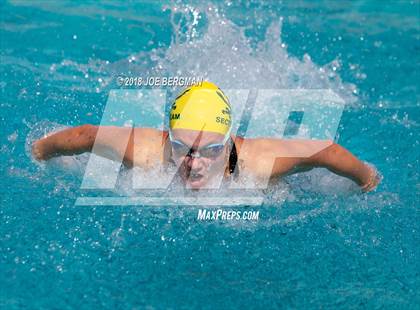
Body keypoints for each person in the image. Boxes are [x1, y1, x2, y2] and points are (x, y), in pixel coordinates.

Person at [32, 81, 380, 191]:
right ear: (169, 137)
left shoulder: (256, 162)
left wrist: (367, 181)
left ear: (229, 141)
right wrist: (39, 153)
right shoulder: (149, 152)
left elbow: (327, 151)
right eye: (183, 148)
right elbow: (86, 135)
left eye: (211, 150)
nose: (194, 163)